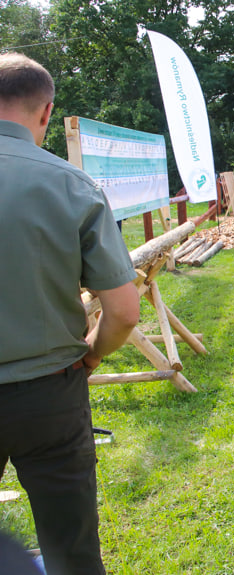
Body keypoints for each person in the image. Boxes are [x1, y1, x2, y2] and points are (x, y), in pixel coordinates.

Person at [0, 52, 140, 575]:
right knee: (71, 550)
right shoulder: (73, 184)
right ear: (46, 112)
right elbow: (124, 311)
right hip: (49, 390)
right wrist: (92, 356)